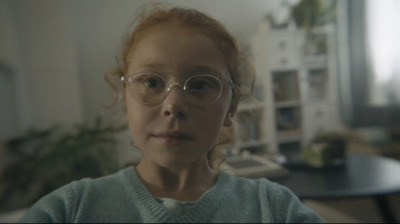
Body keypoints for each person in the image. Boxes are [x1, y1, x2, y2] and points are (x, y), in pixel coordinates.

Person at [20, 4, 324, 223]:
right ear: (125, 97)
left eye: (201, 84)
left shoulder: (274, 210)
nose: (174, 104)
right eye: (152, 82)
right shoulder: (70, 210)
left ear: (231, 106)